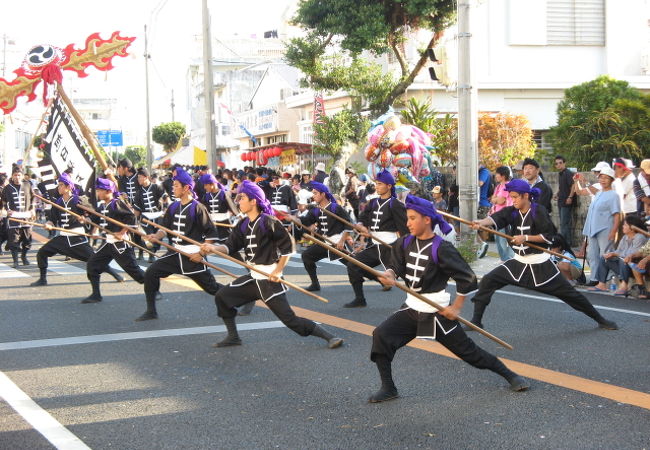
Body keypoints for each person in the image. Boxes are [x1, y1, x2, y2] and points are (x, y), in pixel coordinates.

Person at [368, 195, 529, 403]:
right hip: (411, 307)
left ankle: (510, 375)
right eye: (407, 218)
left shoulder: (441, 248)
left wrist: (456, 306)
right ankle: (388, 388)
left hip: (436, 312)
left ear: (427, 219)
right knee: (381, 336)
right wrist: (389, 275)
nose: (407, 223)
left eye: (412, 218)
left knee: (470, 353)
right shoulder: (404, 242)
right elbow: (395, 267)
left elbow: (467, 278)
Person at [199, 180, 344, 349]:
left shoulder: (268, 221)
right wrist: (213, 248)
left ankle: (330, 336)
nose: (238, 201)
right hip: (253, 278)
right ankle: (233, 337)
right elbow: (230, 246)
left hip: (270, 279)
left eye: (242, 197)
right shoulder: (243, 224)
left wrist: (278, 270)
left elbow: (288, 247)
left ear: (253, 201)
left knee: (290, 320)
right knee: (222, 296)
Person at [467, 179, 618, 331]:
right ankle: (476, 321)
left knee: (571, 295)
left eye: (515, 197)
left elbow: (549, 236)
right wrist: (481, 222)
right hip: (517, 263)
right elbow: (497, 217)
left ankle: (600, 319)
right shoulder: (512, 211)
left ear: (525, 195)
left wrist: (526, 238)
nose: (512, 200)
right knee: (488, 281)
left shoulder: (538, 211)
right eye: (511, 197)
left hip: (541, 266)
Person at [136, 169, 223, 321]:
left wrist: (201, 254)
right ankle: (151, 311)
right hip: (175, 253)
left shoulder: (198, 208)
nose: (173, 188)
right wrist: (156, 236)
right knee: (151, 272)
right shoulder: (173, 207)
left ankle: (240, 298)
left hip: (192, 256)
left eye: (176, 185)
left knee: (212, 288)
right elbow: (165, 228)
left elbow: (211, 236)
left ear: (186, 188)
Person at [29, 173, 124, 286]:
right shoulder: (58, 202)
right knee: (42, 253)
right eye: (58, 185)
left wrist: (86, 218)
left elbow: (93, 214)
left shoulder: (78, 200)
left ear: (68, 187)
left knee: (94, 259)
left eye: (61, 185)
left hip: (77, 238)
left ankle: (115, 274)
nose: (58, 187)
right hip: (63, 238)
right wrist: (48, 224)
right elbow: (52, 220)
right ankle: (43, 279)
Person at [344, 170, 408, 308]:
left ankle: (420, 302)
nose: (376, 186)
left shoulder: (395, 204)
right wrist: (361, 225)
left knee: (409, 276)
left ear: (389, 186)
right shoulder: (373, 202)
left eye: (380, 184)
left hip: (390, 246)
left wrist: (405, 249)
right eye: (376, 184)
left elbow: (404, 229)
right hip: (374, 246)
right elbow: (363, 217)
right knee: (353, 265)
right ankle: (360, 299)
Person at [83, 178, 149, 304]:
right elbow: (95, 220)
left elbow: (132, 219)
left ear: (108, 191)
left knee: (134, 271)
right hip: (108, 242)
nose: (98, 193)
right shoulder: (102, 206)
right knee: (92, 264)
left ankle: (154, 288)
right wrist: (87, 222)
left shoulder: (116, 203)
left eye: (100, 191)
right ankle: (96, 295)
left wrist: (122, 232)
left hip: (121, 243)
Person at [299, 181, 353, 291]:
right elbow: (305, 221)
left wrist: (342, 241)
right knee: (306, 256)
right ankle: (315, 284)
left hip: (338, 242)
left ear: (323, 194)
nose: (313, 196)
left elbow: (349, 224)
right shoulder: (316, 210)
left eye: (315, 193)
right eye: (313, 193)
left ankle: (380, 279)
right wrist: (293, 218)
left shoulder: (335, 208)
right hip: (324, 243)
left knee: (356, 266)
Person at [587, 215, 647, 296]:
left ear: (632, 227)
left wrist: (614, 254)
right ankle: (601, 284)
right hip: (624, 266)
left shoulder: (640, 237)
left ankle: (624, 286)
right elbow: (619, 251)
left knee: (623, 259)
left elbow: (632, 254)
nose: (623, 226)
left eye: (625, 225)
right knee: (605, 258)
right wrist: (611, 254)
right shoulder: (625, 237)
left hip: (634, 267)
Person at [582, 167, 620, 287]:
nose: (603, 180)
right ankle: (594, 278)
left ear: (611, 180)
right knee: (592, 255)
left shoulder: (614, 195)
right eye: (601, 177)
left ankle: (607, 279)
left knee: (605, 255)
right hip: (592, 228)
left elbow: (617, 214)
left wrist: (614, 230)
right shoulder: (599, 193)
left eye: (606, 178)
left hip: (605, 228)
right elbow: (592, 192)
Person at [1, 167, 34, 267]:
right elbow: (3, 201)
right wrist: (6, 210)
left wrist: (32, 210)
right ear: (12, 176)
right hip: (13, 217)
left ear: (23, 176)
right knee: (13, 240)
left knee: (27, 240)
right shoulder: (7, 188)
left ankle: (24, 256)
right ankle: (15, 261)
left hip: (26, 216)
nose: (17, 177)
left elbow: (32, 199)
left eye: (19, 175)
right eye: (15, 175)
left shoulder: (28, 185)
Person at [133, 168, 165, 262]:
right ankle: (151, 254)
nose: (138, 179)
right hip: (146, 217)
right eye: (138, 177)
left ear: (146, 177)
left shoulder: (156, 187)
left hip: (158, 215)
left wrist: (167, 209)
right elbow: (137, 210)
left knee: (158, 237)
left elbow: (165, 197)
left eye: (140, 177)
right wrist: (136, 221)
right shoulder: (138, 193)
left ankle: (153, 251)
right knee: (148, 236)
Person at [489, 166, 515, 262]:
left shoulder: (507, 186)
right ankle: (504, 260)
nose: (495, 175)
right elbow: (493, 199)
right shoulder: (498, 186)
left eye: (497, 173)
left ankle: (510, 260)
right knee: (498, 240)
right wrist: (495, 199)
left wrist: (495, 199)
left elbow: (500, 200)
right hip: (496, 216)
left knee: (504, 240)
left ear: (503, 175)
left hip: (504, 217)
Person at [554, 155, 577, 245]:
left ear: (564, 163)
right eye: (556, 164)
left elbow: (573, 186)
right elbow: (561, 187)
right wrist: (557, 193)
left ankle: (566, 243)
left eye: (560, 163)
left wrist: (570, 197)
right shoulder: (561, 174)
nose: (558, 165)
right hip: (561, 200)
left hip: (566, 202)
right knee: (563, 223)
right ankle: (567, 243)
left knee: (564, 223)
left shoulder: (568, 173)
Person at [476, 165, 492, 258]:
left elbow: (480, 183)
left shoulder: (484, 171)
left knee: (482, 228)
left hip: (482, 203)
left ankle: (483, 245)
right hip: (479, 203)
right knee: (479, 227)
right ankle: (482, 246)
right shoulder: (479, 172)